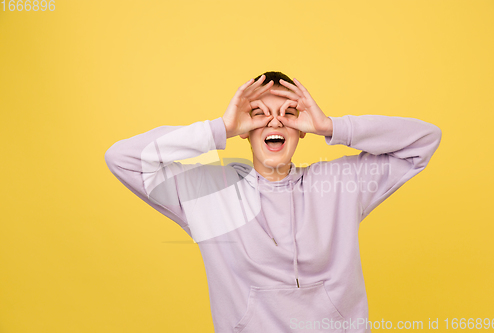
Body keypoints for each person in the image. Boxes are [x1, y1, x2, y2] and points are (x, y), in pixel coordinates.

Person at [104, 71, 442, 332]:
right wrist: (218, 129)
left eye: (288, 113)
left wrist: (332, 127)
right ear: (246, 131)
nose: (275, 121)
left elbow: (423, 141)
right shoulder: (210, 195)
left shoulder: (342, 184)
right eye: (260, 114)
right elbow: (122, 158)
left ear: (301, 129)